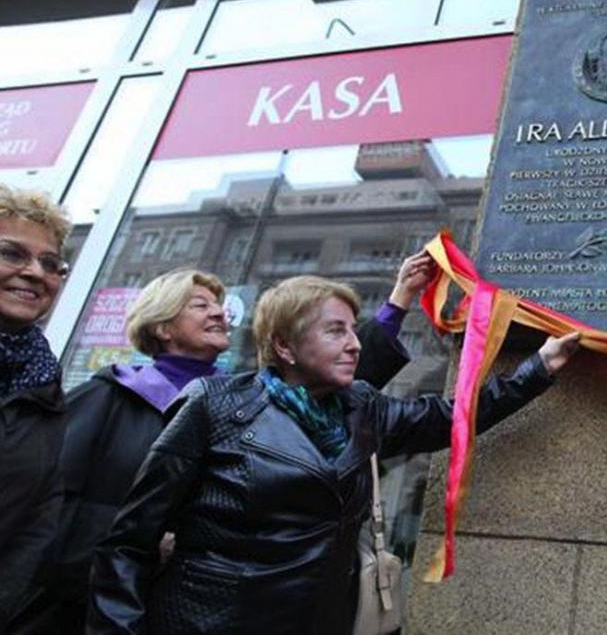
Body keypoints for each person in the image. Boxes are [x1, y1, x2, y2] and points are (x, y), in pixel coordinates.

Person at [87, 273, 580, 634]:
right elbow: (130, 542)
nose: (354, 346)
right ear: (284, 345)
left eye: (352, 330)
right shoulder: (213, 405)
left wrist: (537, 368)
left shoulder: (361, 406)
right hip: (208, 620)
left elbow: (451, 419)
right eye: (335, 332)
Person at [24, 251, 434, 633]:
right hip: (93, 598)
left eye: (219, 304)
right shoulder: (110, 394)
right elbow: (55, 499)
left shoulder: (238, 398)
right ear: (162, 325)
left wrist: (398, 300)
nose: (220, 313)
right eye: (200, 305)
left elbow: (340, 380)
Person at [0, 185, 72, 629]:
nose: (35, 273)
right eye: (12, 254)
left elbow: (36, 521)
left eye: (51, 264)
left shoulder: (43, 380)